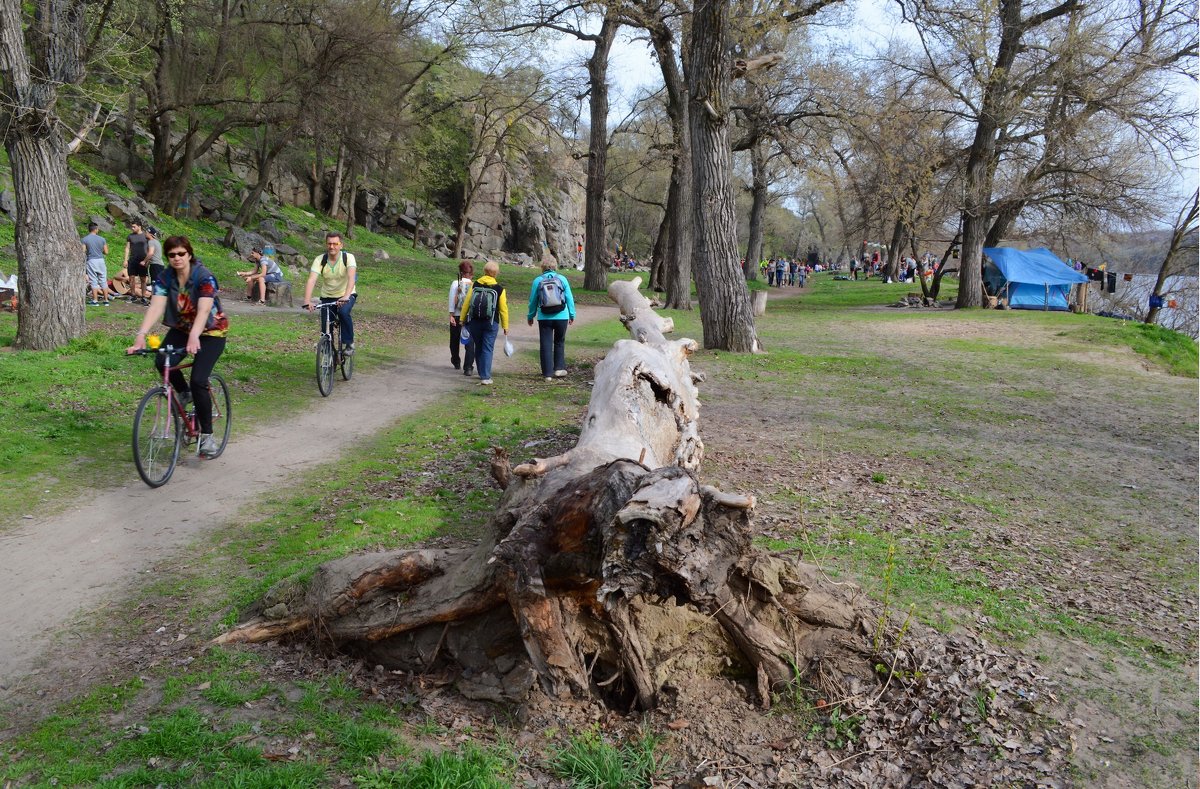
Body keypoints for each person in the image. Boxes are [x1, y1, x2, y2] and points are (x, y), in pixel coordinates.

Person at [125, 235, 230, 457]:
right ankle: (184, 394)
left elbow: (203, 310)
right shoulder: (165, 277)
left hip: (212, 332)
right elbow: (155, 306)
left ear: (189, 254)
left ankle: (207, 437)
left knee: (199, 379)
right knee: (162, 360)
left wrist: (195, 336)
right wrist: (141, 335)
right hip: (182, 329)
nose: (176, 258)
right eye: (171, 255)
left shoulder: (204, 277)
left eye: (181, 253)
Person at [303, 232, 357, 355]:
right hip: (328, 296)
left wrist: (346, 296)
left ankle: (349, 343)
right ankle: (329, 354)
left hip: (346, 294)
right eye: (329, 244)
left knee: (343, 312)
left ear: (341, 245)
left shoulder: (348, 258)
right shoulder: (320, 259)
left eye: (335, 244)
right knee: (326, 325)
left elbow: (351, 277)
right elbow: (312, 279)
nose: (332, 247)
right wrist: (307, 300)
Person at [458, 260, 508, 386]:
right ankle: (485, 376)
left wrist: (462, 319)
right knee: (487, 348)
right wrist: (505, 326)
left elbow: (467, 303)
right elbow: (503, 309)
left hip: (474, 321)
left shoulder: (475, 285)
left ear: (485, 271)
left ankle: (482, 372)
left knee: (479, 347)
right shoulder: (499, 289)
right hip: (491, 323)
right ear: (496, 273)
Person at [527, 260, 576, 382]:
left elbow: (533, 300)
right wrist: (571, 314)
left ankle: (547, 373)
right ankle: (559, 368)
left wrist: (530, 316)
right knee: (559, 341)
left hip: (544, 317)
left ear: (542, 267)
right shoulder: (562, 279)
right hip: (562, 316)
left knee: (545, 344)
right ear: (555, 266)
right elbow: (569, 298)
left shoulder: (537, 281)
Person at [448, 260, 475, 374]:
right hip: (469, 317)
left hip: (457, 315)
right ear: (471, 273)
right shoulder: (475, 284)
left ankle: (456, 361)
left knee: (454, 340)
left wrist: (451, 314)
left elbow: (451, 299)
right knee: (469, 342)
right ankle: (468, 367)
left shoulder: (455, 283)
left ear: (460, 272)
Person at [81, 222, 110, 306]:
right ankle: (106, 300)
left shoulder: (85, 239)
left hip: (91, 261)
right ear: (96, 229)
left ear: (89, 229)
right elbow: (106, 252)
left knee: (93, 281)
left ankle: (95, 300)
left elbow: (83, 251)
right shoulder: (102, 239)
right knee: (103, 280)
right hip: (101, 260)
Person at [124, 221, 150, 305]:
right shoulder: (130, 236)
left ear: (139, 226)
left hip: (143, 261)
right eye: (132, 227)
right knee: (131, 278)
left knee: (143, 279)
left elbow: (150, 249)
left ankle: (143, 297)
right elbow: (127, 248)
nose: (132, 228)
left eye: (134, 227)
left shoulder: (145, 236)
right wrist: (125, 259)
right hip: (132, 260)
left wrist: (147, 260)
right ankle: (133, 295)